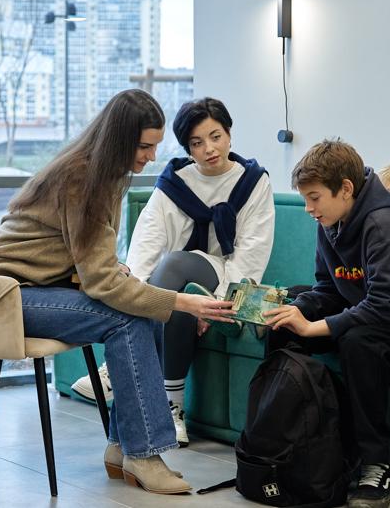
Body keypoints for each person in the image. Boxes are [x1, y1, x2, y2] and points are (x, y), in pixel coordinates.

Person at [0, 89, 236, 495]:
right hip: (0, 295)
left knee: (141, 315)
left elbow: (88, 260)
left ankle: (122, 447)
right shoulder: (82, 180)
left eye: (155, 147)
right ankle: (143, 453)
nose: (151, 156)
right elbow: (101, 282)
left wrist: (120, 273)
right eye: (144, 147)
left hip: (33, 286)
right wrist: (181, 302)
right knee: (127, 318)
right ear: (119, 140)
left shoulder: (101, 176)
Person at [262, 139, 390, 508]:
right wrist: (295, 310)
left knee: (359, 341)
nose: (308, 208)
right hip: (376, 307)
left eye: (314, 198)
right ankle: (289, 444)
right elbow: (328, 287)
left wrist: (315, 327)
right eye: (305, 199)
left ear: (345, 189)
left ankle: (376, 464)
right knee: (285, 324)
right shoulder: (330, 220)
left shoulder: (386, 224)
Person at [72, 97, 275, 447]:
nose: (209, 149)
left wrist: (220, 303)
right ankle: (172, 408)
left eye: (216, 136)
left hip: (226, 275)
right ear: (187, 148)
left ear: (229, 134)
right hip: (178, 279)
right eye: (197, 142)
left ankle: (116, 372)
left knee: (175, 264)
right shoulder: (175, 183)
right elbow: (147, 241)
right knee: (170, 283)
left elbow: (252, 252)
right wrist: (132, 291)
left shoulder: (253, 182)